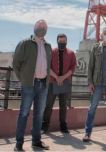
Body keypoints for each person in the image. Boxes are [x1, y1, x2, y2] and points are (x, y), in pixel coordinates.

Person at [13, 20, 52, 151]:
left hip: (43, 85)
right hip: (29, 84)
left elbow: (48, 65)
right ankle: (19, 143)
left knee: (39, 114)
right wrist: (24, 79)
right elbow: (16, 64)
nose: (42, 29)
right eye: (39, 26)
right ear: (34, 28)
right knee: (23, 114)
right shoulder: (25, 43)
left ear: (47, 30)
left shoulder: (48, 46)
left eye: (44, 27)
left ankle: (36, 141)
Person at [42, 33, 76, 133]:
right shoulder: (51, 52)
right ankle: (44, 126)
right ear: (57, 41)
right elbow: (48, 67)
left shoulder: (71, 53)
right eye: (60, 41)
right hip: (53, 82)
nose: (62, 43)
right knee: (48, 105)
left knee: (63, 106)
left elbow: (72, 68)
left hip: (65, 82)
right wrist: (57, 78)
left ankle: (63, 126)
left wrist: (62, 78)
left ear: (66, 41)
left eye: (64, 41)